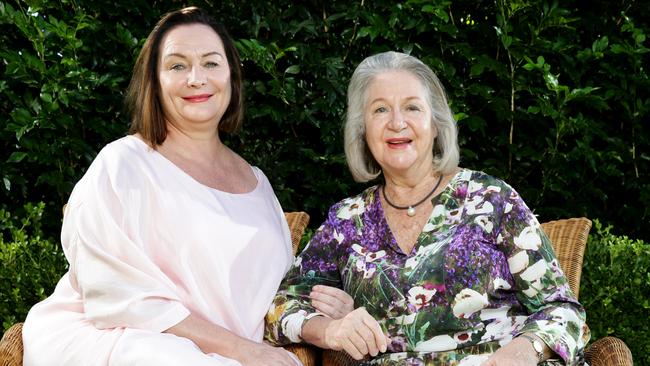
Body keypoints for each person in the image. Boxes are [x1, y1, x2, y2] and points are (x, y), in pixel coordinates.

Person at [265, 51, 590, 365]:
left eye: (412, 108)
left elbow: (563, 310)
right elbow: (278, 307)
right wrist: (330, 328)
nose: (396, 122)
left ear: (435, 125)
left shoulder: (491, 199)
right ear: (362, 131)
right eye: (380, 110)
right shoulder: (347, 221)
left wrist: (524, 351)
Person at [22, 7, 303, 366]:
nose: (197, 78)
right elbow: (114, 293)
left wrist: (322, 314)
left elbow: (280, 296)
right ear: (154, 82)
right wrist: (241, 350)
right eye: (177, 66)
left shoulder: (258, 184)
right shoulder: (123, 164)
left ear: (231, 75)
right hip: (117, 341)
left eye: (211, 63)